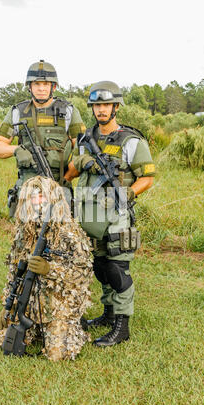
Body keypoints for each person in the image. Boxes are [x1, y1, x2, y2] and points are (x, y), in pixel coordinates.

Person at [64, 81, 155, 347]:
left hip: (118, 215)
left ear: (115, 107)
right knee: (100, 268)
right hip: (91, 216)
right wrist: (81, 162)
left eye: (106, 105)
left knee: (118, 269)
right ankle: (108, 313)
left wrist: (128, 193)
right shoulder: (84, 140)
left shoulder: (130, 141)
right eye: (96, 105)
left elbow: (147, 177)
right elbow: (70, 173)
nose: (101, 110)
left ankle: (122, 325)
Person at [0, 176, 93, 361]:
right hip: (29, 301)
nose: (37, 202)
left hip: (58, 303)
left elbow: (83, 272)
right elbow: (15, 272)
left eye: (42, 196)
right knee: (2, 339)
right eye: (32, 197)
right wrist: (8, 305)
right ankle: (33, 327)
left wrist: (50, 269)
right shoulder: (24, 231)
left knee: (57, 355)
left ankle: (64, 327)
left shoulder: (69, 231)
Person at [0, 60, 86, 217]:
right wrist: (17, 150)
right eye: (36, 84)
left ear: (53, 87)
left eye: (46, 84)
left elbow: (82, 149)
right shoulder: (18, 112)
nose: (41, 88)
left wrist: (67, 178)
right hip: (29, 186)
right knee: (26, 238)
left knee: (62, 237)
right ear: (29, 87)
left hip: (59, 183)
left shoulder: (68, 111)